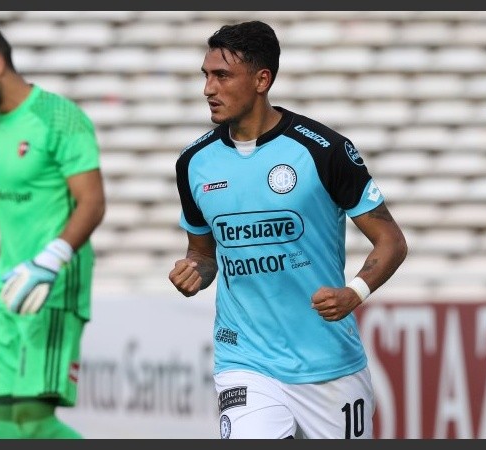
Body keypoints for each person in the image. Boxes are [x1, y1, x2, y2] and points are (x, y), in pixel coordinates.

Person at [168, 20, 408, 439]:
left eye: (222, 76)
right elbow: (203, 255)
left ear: (262, 79)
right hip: (245, 360)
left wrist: (355, 292)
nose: (208, 88)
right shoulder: (194, 162)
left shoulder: (324, 150)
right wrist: (194, 272)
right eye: (205, 76)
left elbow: (391, 241)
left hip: (329, 364)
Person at [0, 23, 106, 439]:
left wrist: (51, 260)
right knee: (6, 424)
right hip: (9, 287)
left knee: (33, 424)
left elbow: (92, 202)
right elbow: (14, 216)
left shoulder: (59, 117)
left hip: (50, 287)